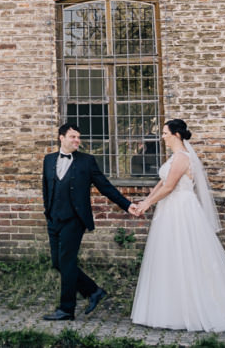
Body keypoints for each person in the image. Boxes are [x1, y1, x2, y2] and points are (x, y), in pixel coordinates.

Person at [127, 119, 225, 332]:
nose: (163, 137)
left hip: (181, 209)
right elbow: (161, 183)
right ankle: (169, 308)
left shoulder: (182, 157)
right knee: (169, 257)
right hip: (169, 209)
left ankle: (192, 309)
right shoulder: (173, 158)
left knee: (186, 255)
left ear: (177, 135)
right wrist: (144, 201)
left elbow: (170, 186)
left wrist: (146, 204)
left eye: (165, 133)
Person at [41, 121, 135, 321]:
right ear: (62, 138)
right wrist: (47, 212)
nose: (77, 140)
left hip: (74, 220)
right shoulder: (48, 160)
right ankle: (93, 291)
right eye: (73, 137)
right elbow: (46, 188)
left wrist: (127, 205)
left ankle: (66, 309)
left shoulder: (87, 161)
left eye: (78, 137)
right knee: (58, 262)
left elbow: (105, 187)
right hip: (54, 219)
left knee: (67, 261)